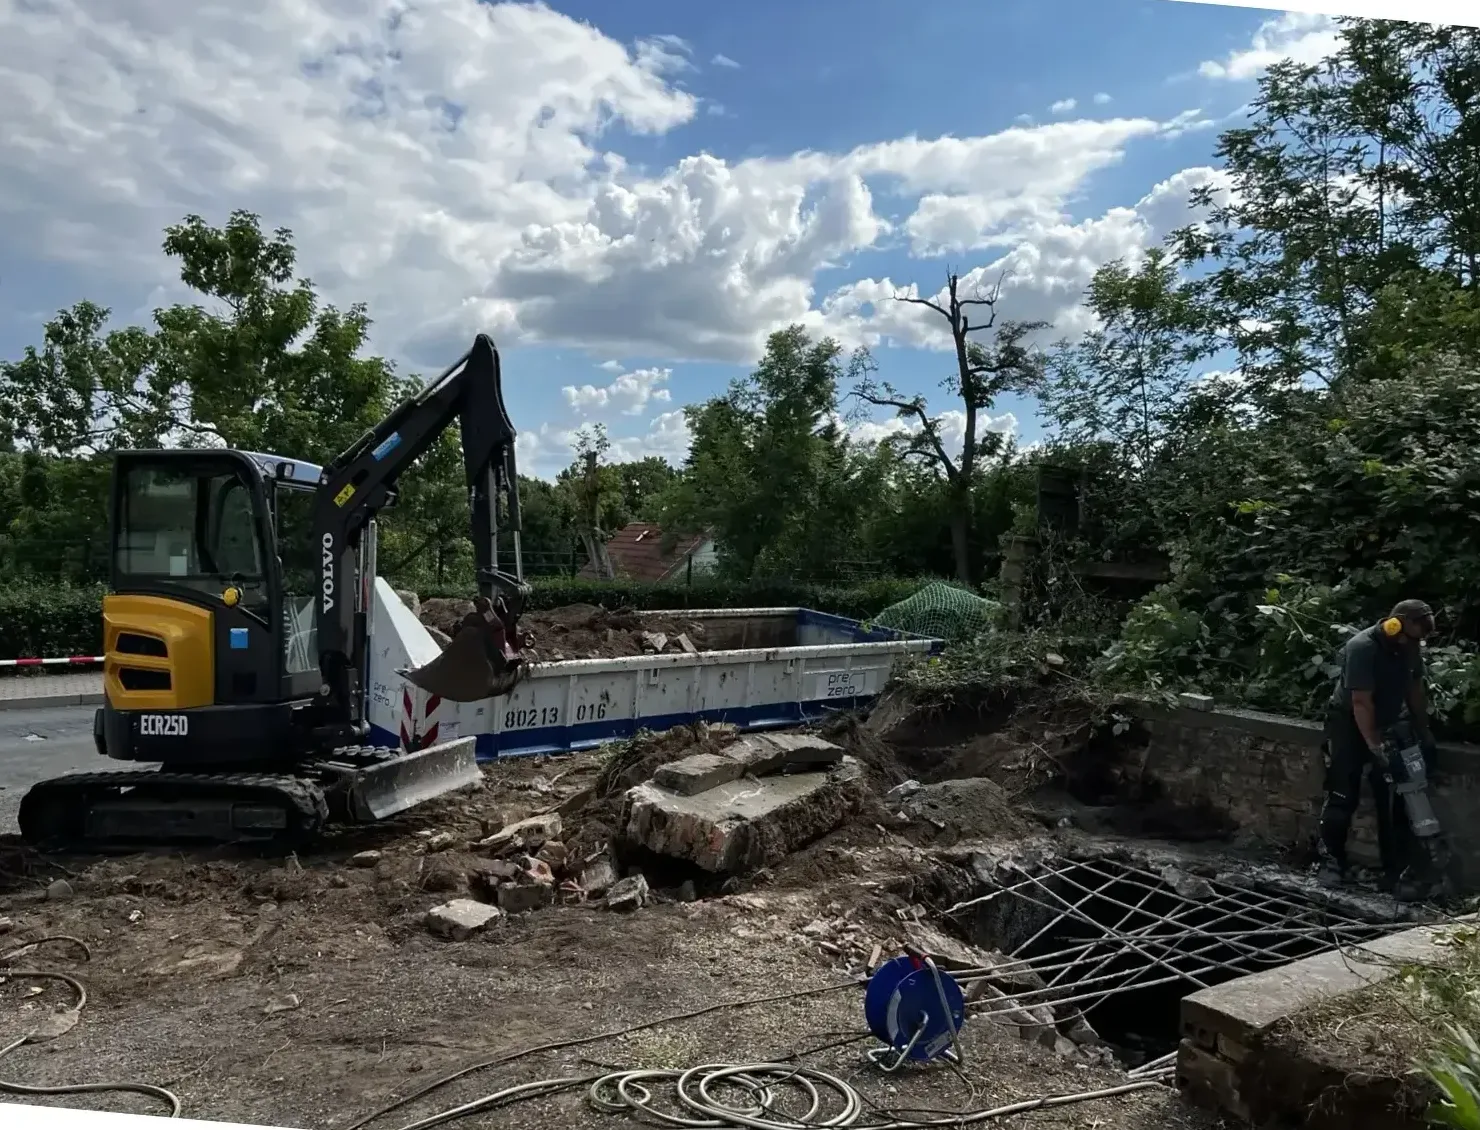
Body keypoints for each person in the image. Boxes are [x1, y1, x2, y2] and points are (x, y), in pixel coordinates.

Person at [1317, 599, 1439, 891]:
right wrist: (1375, 747)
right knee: (1342, 793)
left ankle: (1394, 869)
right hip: (1348, 723)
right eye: (1413, 638)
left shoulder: (1409, 647)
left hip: (1385, 722)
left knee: (1394, 796)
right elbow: (1361, 702)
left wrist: (1424, 732)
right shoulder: (1362, 648)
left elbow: (1414, 689)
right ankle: (1331, 861)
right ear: (1395, 624)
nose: (1416, 645)